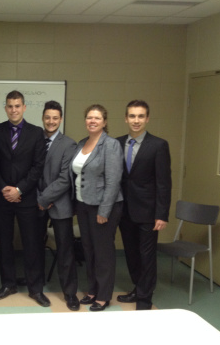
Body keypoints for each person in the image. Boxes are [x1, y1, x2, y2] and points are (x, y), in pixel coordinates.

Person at [0, 90, 49, 307]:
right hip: (2, 197)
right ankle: (8, 284)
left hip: (26, 198)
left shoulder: (36, 133)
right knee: (4, 242)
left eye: (17, 106)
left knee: (31, 244)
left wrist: (19, 189)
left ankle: (35, 289)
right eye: (10, 106)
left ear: (24, 108)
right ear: (5, 108)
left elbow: (38, 167)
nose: (13, 110)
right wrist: (4, 188)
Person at [116, 100, 171, 310]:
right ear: (126, 118)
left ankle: (145, 300)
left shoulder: (158, 145)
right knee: (131, 254)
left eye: (140, 116)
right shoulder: (117, 143)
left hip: (148, 212)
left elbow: (164, 183)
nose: (136, 120)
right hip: (124, 211)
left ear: (147, 118)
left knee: (147, 256)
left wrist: (162, 214)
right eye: (132, 116)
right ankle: (138, 289)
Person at [70, 104, 123, 312]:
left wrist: (104, 210)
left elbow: (113, 181)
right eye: (89, 117)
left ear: (105, 122)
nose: (92, 121)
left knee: (103, 252)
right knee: (88, 249)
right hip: (83, 204)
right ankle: (92, 289)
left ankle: (103, 295)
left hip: (103, 207)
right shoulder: (82, 143)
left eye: (97, 118)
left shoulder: (110, 145)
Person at [37, 101, 79, 311]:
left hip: (59, 205)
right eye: (47, 117)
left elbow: (65, 179)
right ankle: (35, 287)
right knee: (34, 247)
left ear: (60, 119)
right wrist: (39, 198)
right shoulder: (36, 140)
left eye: (55, 118)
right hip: (36, 202)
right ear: (43, 118)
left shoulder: (68, 144)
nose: (51, 121)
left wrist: (45, 198)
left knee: (65, 250)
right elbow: (31, 171)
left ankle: (70, 293)